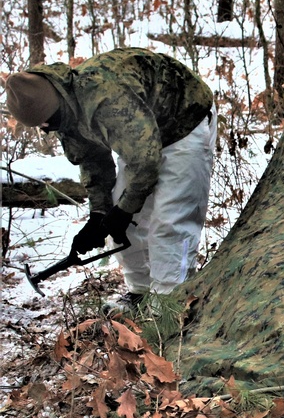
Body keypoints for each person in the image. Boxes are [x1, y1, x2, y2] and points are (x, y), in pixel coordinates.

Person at [3, 47, 216, 308]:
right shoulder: (64, 110)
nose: (46, 130)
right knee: (122, 219)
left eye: (46, 123)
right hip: (138, 138)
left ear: (54, 106)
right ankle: (140, 293)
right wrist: (99, 214)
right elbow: (93, 160)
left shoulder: (104, 98)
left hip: (184, 121)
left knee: (171, 221)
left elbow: (146, 163)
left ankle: (170, 304)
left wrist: (125, 209)